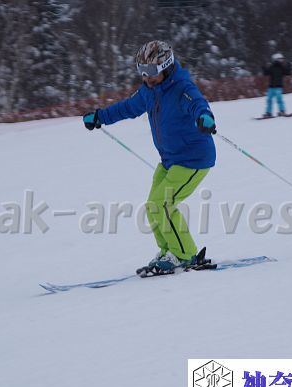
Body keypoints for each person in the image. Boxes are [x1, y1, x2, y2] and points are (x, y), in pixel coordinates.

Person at [82, 40, 216, 272]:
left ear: (166, 67)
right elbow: (127, 108)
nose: (147, 77)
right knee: (153, 206)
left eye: (152, 71)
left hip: (193, 159)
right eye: (142, 71)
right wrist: (100, 117)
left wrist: (205, 117)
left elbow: (198, 104)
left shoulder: (182, 88)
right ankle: (168, 251)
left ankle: (183, 254)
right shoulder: (149, 91)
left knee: (162, 203)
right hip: (170, 161)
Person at [261, 53, 292, 118]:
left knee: (279, 99)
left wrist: (289, 65)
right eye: (280, 59)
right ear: (275, 59)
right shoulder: (271, 67)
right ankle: (268, 113)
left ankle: (282, 111)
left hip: (278, 87)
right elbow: (266, 73)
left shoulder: (282, 67)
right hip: (271, 87)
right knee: (269, 100)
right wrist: (263, 66)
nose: (281, 60)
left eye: (282, 59)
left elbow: (288, 73)